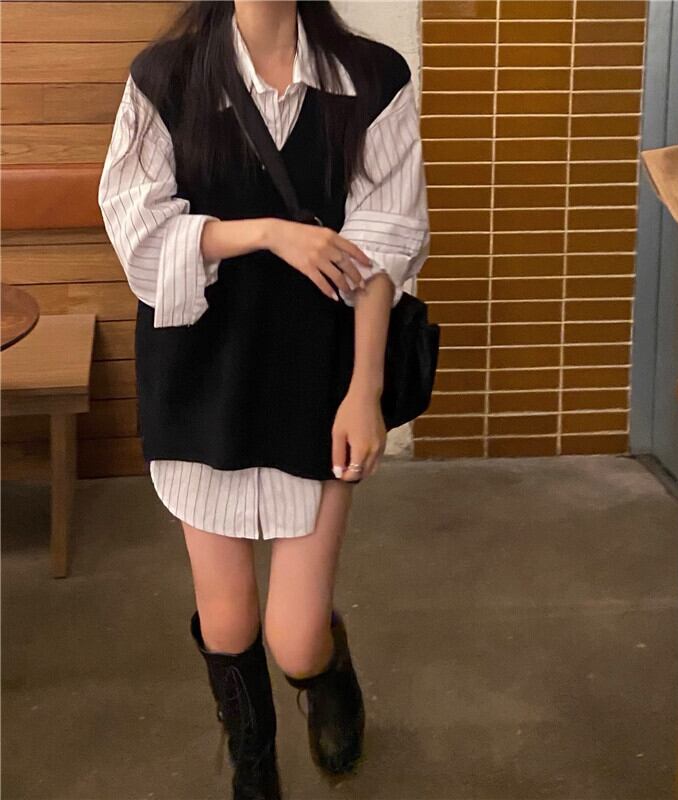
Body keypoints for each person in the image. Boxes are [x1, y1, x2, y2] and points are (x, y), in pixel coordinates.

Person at [97, 1, 429, 797]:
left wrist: (365, 391)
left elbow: (383, 247)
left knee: (295, 638)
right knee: (228, 621)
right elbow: (138, 231)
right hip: (199, 379)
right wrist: (270, 232)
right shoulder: (166, 78)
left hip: (317, 381)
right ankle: (254, 770)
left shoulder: (371, 79)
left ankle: (328, 674)